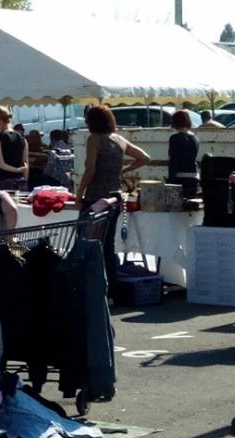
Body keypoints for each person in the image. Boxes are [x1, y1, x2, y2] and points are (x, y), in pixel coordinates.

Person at [76, 105, 150, 297]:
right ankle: (111, 287)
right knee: (107, 244)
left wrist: (79, 193)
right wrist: (121, 171)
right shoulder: (118, 139)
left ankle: (90, 284)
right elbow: (144, 158)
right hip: (115, 196)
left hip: (96, 196)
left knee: (87, 240)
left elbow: (90, 170)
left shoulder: (94, 140)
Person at [0, 106, 29, 190]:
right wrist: (25, 180)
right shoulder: (21, 137)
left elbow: (1, 164)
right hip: (21, 180)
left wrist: (17, 170)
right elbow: (25, 163)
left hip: (5, 181)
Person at [168, 110, 200, 198]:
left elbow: (173, 160)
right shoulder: (195, 138)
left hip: (180, 177)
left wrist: (170, 180)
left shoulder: (174, 138)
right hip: (194, 176)